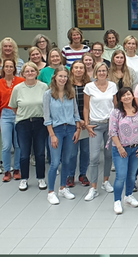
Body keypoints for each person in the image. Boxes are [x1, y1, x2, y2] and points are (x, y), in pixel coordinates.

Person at [43, 67, 81, 204]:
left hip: (70, 129)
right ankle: (51, 192)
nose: (63, 79)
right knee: (54, 162)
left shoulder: (70, 92)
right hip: (56, 130)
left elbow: (76, 113)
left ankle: (63, 187)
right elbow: (46, 117)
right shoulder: (48, 94)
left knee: (67, 160)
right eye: (60, 76)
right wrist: (52, 135)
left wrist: (77, 129)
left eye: (65, 76)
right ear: (55, 77)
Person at [8, 62, 48, 192]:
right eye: (27, 71)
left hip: (40, 123)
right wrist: (23, 115)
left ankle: (41, 178)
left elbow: (47, 104)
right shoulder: (18, 88)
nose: (30, 73)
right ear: (23, 73)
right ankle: (24, 179)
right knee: (24, 153)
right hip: (23, 123)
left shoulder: (44, 87)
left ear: (37, 72)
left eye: (32, 71)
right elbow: (14, 106)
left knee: (40, 153)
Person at [83, 63, 118, 201]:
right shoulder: (89, 87)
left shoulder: (113, 86)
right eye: (99, 71)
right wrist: (86, 124)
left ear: (107, 72)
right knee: (94, 157)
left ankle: (105, 181)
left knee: (109, 155)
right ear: (95, 73)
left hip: (110, 124)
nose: (102, 73)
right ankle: (93, 187)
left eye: (104, 71)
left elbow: (115, 106)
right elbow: (86, 107)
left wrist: (116, 124)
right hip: (95, 125)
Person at [109, 86, 138, 213]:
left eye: (128, 94)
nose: (127, 97)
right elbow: (113, 132)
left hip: (136, 148)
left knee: (132, 175)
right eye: (123, 95)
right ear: (120, 98)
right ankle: (117, 201)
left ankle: (128, 196)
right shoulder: (116, 113)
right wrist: (119, 147)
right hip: (121, 149)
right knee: (121, 176)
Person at [67, 60, 91, 188]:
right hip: (72, 122)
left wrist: (85, 121)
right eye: (76, 67)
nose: (78, 70)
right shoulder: (67, 85)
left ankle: (83, 174)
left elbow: (90, 104)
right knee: (72, 151)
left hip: (87, 122)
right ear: (72, 70)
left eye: (81, 68)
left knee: (86, 151)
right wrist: (78, 120)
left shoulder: (89, 85)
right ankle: (70, 175)